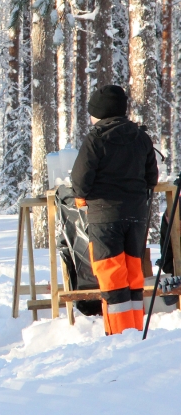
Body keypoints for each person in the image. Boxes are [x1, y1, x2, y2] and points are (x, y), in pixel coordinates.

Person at [71, 84, 158, 335]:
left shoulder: (96, 138)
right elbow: (151, 176)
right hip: (137, 215)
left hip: (104, 215)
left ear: (99, 112)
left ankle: (119, 336)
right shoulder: (141, 137)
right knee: (133, 273)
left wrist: (81, 196)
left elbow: (80, 179)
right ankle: (135, 330)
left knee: (111, 274)